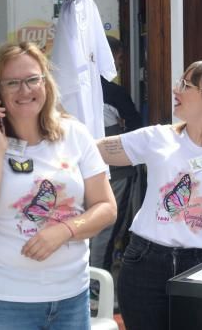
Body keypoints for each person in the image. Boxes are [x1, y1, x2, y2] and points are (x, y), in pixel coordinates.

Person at [0, 42, 117, 330]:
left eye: (32, 79)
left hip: (70, 297)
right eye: (12, 83)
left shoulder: (75, 134)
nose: (25, 90)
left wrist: (64, 231)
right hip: (1, 302)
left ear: (46, 82)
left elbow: (106, 208)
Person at [97, 60, 202, 330]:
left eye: (185, 85)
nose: (175, 89)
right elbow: (92, 151)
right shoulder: (158, 137)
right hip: (145, 262)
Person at [90, 36, 145, 275]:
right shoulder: (114, 93)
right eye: (119, 58)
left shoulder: (70, 91)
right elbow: (134, 128)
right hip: (115, 171)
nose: (120, 64)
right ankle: (97, 283)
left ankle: (90, 281)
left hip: (80, 170)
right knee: (107, 228)